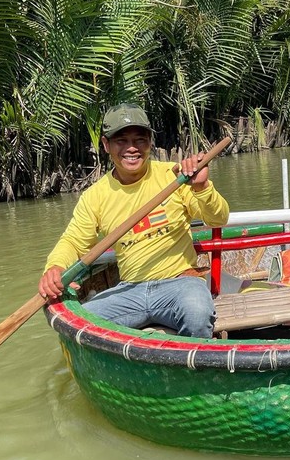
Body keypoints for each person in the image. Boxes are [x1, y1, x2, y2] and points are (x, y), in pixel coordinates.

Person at [39, 103, 229, 337]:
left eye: (140, 140)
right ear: (106, 145)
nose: (132, 148)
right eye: (121, 141)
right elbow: (74, 242)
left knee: (197, 314)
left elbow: (218, 218)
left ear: (150, 142)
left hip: (180, 283)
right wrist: (55, 268)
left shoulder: (177, 176)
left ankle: (194, 369)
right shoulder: (95, 196)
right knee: (75, 323)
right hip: (129, 291)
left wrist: (201, 187)